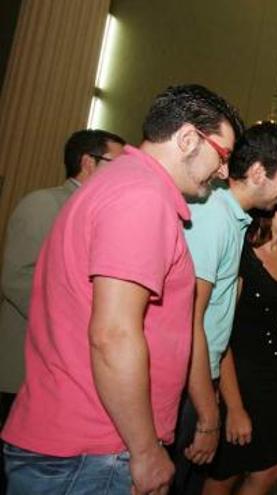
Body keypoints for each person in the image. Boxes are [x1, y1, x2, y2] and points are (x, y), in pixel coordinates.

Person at [1, 84, 243, 495]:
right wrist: (145, 449)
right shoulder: (141, 196)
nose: (223, 173)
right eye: (221, 157)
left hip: (88, 445)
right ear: (188, 139)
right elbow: (113, 334)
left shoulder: (124, 184)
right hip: (96, 449)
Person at [172, 122, 277, 494]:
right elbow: (193, 322)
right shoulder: (215, 218)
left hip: (207, 381)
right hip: (191, 388)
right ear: (258, 173)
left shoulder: (236, 222)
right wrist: (210, 415)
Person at [203, 181, 277, 495]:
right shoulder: (241, 252)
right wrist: (235, 408)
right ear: (272, 208)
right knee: (228, 469)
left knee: (272, 466)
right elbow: (220, 332)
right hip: (239, 374)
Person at [0, 129, 125, 414]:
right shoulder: (43, 204)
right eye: (116, 165)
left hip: (68, 370)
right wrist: (78, 320)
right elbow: (18, 279)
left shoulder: (104, 211)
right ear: (88, 163)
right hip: (27, 364)